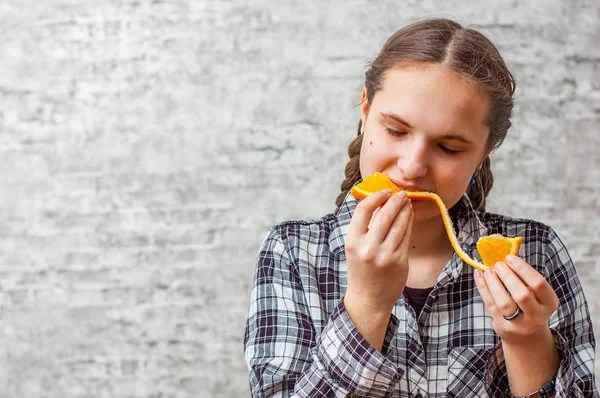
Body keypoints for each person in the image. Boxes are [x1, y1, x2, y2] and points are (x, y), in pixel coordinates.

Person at [243, 18, 598, 398]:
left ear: (485, 150)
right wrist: (367, 303)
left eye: (448, 148)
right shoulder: (293, 252)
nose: (412, 167)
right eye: (396, 131)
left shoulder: (535, 250)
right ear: (365, 109)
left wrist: (527, 339)